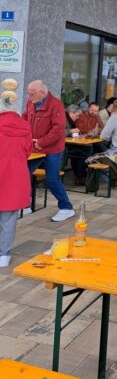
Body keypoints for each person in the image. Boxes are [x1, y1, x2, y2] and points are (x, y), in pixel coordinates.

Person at [24, 80, 75, 221]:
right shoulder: (31, 102)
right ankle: (25, 205)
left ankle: (66, 208)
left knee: (52, 180)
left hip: (52, 149)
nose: (29, 97)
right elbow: (25, 118)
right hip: (35, 148)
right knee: (23, 173)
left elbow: (58, 130)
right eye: (28, 94)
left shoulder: (56, 104)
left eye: (31, 94)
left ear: (41, 92)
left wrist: (41, 142)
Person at [0, 82, 33, 267]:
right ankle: (4, 255)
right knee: (9, 217)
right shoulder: (24, 126)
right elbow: (28, 151)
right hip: (15, 175)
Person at [65, 104, 88, 185]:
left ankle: (80, 176)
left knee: (84, 151)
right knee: (83, 153)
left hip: (69, 144)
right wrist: (71, 131)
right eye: (77, 115)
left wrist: (79, 135)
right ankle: (80, 177)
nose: (78, 117)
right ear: (71, 113)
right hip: (63, 146)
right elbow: (59, 132)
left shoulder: (69, 119)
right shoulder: (63, 118)